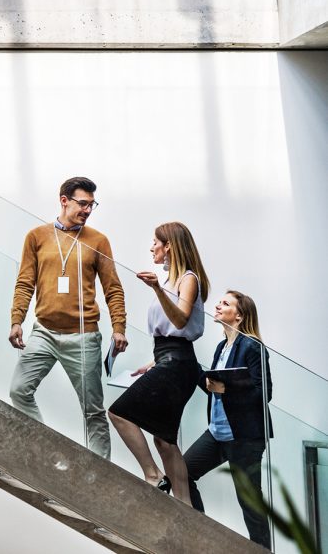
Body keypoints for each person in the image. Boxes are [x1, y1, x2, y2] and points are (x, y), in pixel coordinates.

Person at [8, 177, 127, 459]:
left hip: (83, 337)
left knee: (93, 411)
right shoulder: (36, 236)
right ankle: (47, 451)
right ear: (64, 200)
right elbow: (25, 282)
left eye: (91, 205)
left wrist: (119, 328)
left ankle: (100, 476)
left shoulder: (98, 241)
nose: (87, 210)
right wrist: (16, 320)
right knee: (18, 390)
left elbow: (113, 288)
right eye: (83, 204)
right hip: (44, 333)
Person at [108, 222, 209, 505]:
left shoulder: (187, 279)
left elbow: (180, 321)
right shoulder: (168, 280)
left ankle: (153, 476)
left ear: (169, 246)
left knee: (118, 413)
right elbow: (169, 336)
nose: (151, 247)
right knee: (165, 440)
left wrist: (156, 290)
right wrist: (153, 363)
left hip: (179, 365)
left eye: (156, 242)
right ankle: (185, 507)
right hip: (170, 360)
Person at [184, 290, 273, 547]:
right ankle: (201, 535)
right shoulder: (222, 346)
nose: (218, 305)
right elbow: (215, 387)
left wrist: (227, 389)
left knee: (250, 505)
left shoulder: (252, 346)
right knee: (183, 472)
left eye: (226, 303)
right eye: (220, 302)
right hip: (217, 432)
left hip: (244, 437)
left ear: (239, 315)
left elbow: (264, 391)